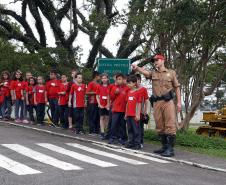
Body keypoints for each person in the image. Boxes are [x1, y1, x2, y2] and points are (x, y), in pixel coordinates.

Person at [132, 54, 181, 157]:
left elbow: (177, 87)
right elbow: (146, 72)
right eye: (154, 61)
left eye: (157, 60)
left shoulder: (171, 73)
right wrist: (137, 68)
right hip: (157, 102)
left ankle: (170, 149)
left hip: (168, 102)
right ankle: (164, 147)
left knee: (170, 125)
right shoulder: (153, 73)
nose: (155, 62)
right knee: (159, 125)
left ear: (163, 60)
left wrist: (179, 102)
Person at [109, 73, 130, 144]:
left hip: (124, 110)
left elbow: (128, 99)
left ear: (124, 80)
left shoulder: (127, 88)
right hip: (116, 109)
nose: (118, 81)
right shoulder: (114, 87)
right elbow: (111, 98)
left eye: (120, 79)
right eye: (117, 79)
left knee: (122, 125)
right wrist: (115, 93)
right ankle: (112, 137)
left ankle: (121, 138)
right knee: (113, 124)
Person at [125, 75, 142, 150]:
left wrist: (138, 114)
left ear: (134, 83)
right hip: (128, 114)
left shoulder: (138, 92)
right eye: (127, 83)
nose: (128, 84)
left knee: (136, 130)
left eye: (130, 83)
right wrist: (125, 113)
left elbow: (139, 104)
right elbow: (127, 103)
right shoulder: (128, 92)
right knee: (130, 129)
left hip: (134, 115)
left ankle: (137, 143)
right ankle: (130, 142)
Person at [136, 74, 149, 148]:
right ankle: (134, 140)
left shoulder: (143, 89)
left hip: (141, 112)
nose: (136, 82)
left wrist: (145, 110)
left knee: (140, 127)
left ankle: (140, 142)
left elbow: (146, 100)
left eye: (138, 80)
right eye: (135, 80)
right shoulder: (133, 89)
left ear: (140, 80)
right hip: (134, 112)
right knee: (134, 127)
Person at [96, 73, 110, 140]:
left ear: (107, 79)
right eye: (103, 78)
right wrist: (99, 104)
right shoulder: (99, 86)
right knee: (101, 118)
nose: (104, 79)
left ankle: (107, 132)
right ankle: (102, 132)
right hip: (101, 105)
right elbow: (97, 96)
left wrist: (108, 104)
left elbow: (110, 96)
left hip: (107, 105)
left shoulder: (110, 86)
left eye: (105, 78)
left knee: (107, 118)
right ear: (101, 79)